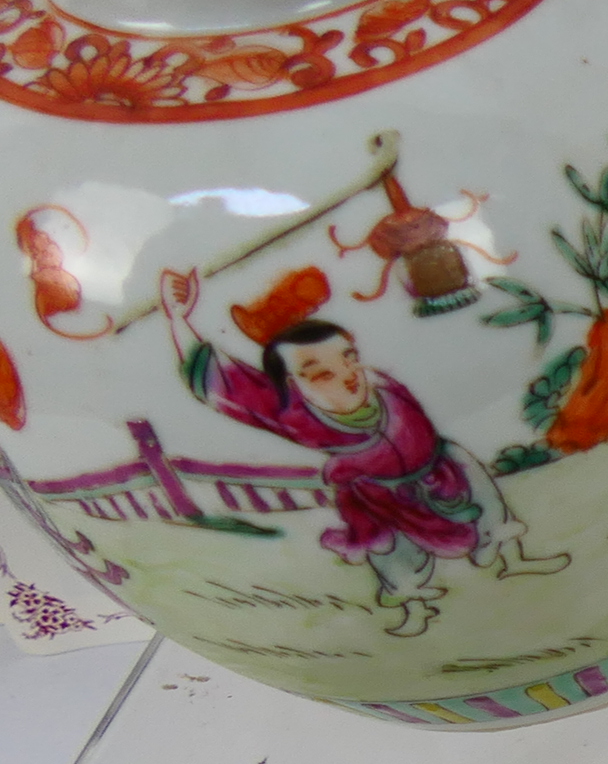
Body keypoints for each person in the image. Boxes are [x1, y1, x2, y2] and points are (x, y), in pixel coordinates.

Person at [159, 265, 562, 635]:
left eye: (349, 359)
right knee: (389, 551)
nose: (348, 376)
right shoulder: (293, 414)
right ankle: (414, 608)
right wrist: (179, 321)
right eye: (322, 375)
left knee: (484, 498)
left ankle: (513, 556)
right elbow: (221, 382)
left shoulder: (382, 385)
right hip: (378, 492)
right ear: (290, 388)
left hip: (440, 465)